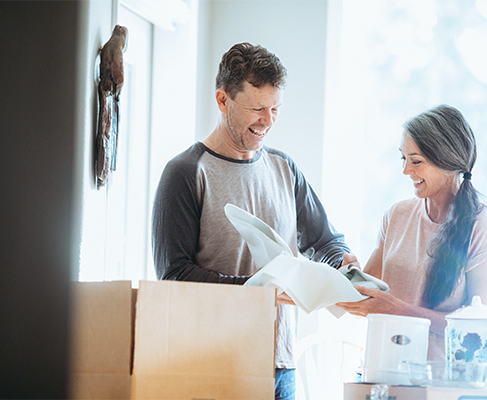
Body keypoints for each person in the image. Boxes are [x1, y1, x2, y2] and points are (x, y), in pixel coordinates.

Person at [151, 42, 357, 399]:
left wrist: (342, 263)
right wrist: (258, 290)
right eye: (257, 108)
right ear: (222, 100)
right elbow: (174, 276)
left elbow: (325, 241)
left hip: (281, 363)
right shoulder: (185, 173)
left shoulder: (284, 168)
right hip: (213, 363)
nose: (268, 120)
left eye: (275, 108)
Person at [337, 104, 487, 361]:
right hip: (383, 370)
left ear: (448, 161)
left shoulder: (481, 225)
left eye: (416, 161)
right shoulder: (396, 215)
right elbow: (364, 297)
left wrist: (398, 310)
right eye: (403, 159)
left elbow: (484, 331)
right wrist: (348, 276)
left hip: (441, 384)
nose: (406, 170)